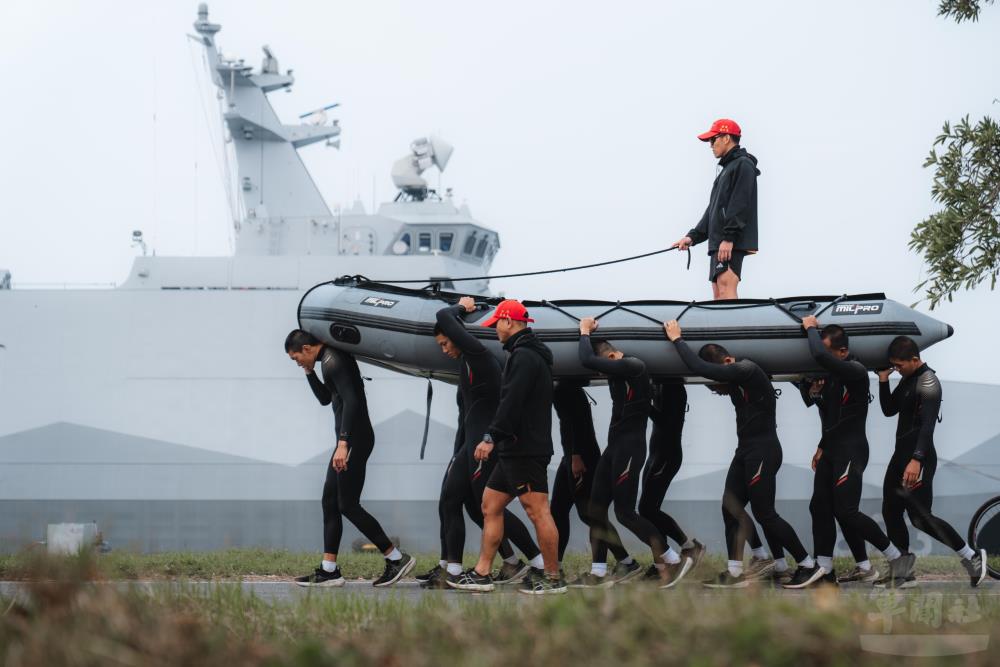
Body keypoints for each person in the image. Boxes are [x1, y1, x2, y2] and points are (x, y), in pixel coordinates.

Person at [664, 320, 813, 588]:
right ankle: (736, 571)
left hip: (764, 450)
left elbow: (700, 367)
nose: (717, 390)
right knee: (729, 506)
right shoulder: (735, 382)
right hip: (746, 450)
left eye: (717, 384)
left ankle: (807, 564)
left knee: (765, 512)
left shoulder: (748, 370)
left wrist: (677, 339)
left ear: (729, 361)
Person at [416, 298, 543, 588]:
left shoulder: (479, 355)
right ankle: (455, 569)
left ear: (458, 336)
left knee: (489, 508)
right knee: (450, 499)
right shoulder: (465, 364)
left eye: (446, 344)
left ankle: (535, 562)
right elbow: (465, 415)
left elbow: (444, 315)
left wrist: (462, 307)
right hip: (470, 445)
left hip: (487, 445)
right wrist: (458, 453)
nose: (444, 350)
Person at [447, 299, 567, 594]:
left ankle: (552, 578)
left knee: (538, 511)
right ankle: (482, 573)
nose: (495, 331)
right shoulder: (526, 354)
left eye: (496, 325)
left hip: (525, 449)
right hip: (515, 449)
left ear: (508, 322)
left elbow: (511, 402)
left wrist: (491, 437)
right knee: (490, 505)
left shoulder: (524, 356)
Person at [786, 317, 909, 589]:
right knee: (818, 506)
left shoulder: (853, 371)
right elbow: (831, 414)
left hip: (851, 451)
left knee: (847, 511)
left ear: (842, 352)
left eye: (830, 355)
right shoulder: (832, 376)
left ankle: (897, 557)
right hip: (832, 449)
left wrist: (809, 328)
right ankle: (826, 570)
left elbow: (818, 352)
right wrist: (821, 441)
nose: (823, 359)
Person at [285, 329, 414, 587]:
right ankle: (329, 570)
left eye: (296, 357)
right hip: (348, 441)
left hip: (353, 440)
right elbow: (326, 399)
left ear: (307, 348)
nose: (297, 362)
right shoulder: (326, 362)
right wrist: (308, 372)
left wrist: (343, 443)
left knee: (348, 505)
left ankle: (396, 558)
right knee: (330, 501)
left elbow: (353, 402)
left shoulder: (335, 362)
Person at [576, 317, 692, 588]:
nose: (603, 374)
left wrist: (584, 332)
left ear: (614, 355)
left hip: (631, 448)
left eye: (606, 365)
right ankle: (600, 571)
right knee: (595, 510)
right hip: (614, 447)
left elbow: (587, 360)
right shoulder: (619, 374)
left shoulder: (634, 366)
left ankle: (672, 558)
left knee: (625, 512)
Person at [876, 336, 987, 588]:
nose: (897, 369)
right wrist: (884, 379)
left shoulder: (928, 382)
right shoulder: (908, 378)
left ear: (915, 359)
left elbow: (926, 427)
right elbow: (888, 409)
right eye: (893, 365)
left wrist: (916, 460)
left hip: (919, 456)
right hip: (900, 455)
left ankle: (971, 557)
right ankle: (902, 569)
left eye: (900, 365)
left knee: (920, 518)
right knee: (890, 510)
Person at [550, 380, 642, 586]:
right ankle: (554, 566)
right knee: (557, 510)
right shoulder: (563, 388)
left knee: (590, 513)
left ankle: (625, 562)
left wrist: (575, 455)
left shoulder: (565, 389)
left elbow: (576, 423)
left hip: (580, 458)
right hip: (570, 457)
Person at [671, 118, 759, 300]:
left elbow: (740, 203)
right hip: (719, 242)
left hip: (729, 242)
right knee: (718, 292)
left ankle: (733, 329)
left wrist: (729, 238)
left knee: (726, 288)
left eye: (713, 140)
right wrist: (692, 237)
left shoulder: (743, 164)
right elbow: (713, 209)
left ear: (726, 138)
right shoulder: (726, 168)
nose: (710, 145)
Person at [637, 381, 706, 580]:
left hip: (667, 455)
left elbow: (666, 422)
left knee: (647, 510)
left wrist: (644, 401)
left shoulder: (674, 387)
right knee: (650, 512)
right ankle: (661, 564)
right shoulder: (659, 383)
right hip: (655, 453)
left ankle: (690, 546)